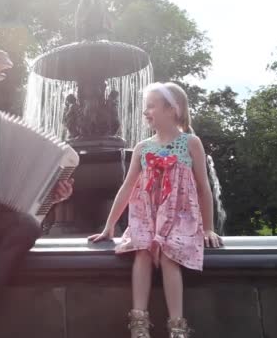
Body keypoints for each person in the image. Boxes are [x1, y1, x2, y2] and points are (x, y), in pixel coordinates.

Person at [89, 82, 223, 338]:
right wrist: (109, 226)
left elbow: (204, 189)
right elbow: (127, 188)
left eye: (151, 106)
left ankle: (177, 326)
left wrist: (208, 228)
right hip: (147, 216)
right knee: (142, 251)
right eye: (145, 107)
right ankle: (138, 323)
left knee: (170, 254)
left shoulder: (190, 143)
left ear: (172, 109)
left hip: (180, 216)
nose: (145, 112)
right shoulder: (143, 148)